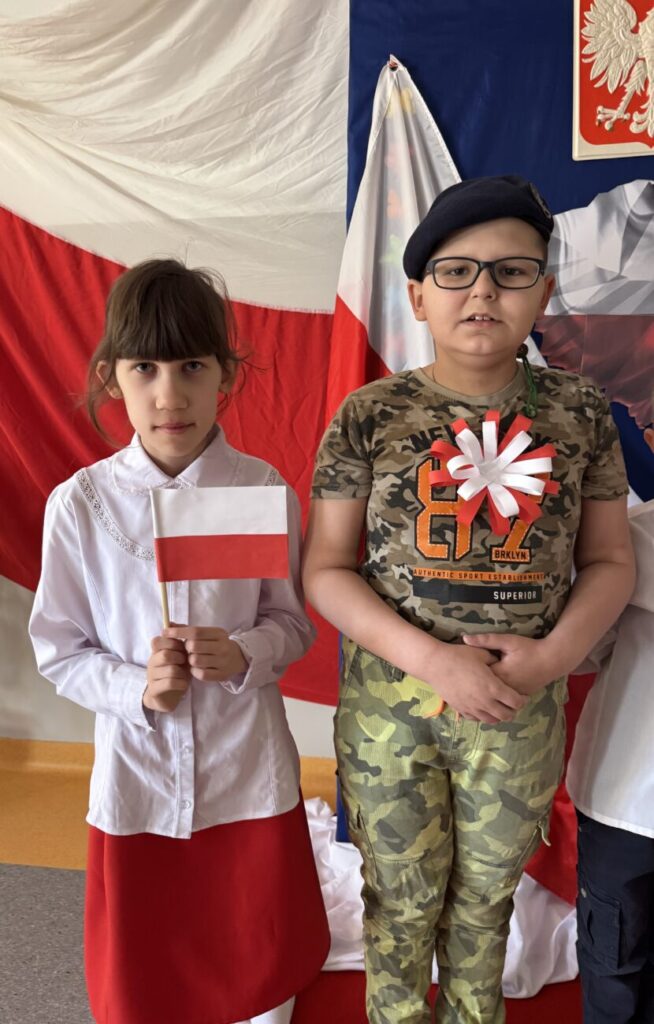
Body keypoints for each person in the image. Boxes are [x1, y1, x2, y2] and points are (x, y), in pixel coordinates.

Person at [302, 175, 635, 1024]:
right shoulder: (370, 414)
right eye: (456, 272)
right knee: (399, 902)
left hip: (517, 709)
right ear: (418, 295)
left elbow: (610, 561)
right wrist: (432, 660)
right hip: (391, 716)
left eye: (511, 272)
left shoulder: (581, 413)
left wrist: (553, 657)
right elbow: (326, 569)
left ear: (544, 294)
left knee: (488, 904)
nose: (483, 291)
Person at [29, 259, 329, 1024]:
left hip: (245, 768)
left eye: (192, 366)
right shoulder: (81, 505)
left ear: (225, 372)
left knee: (258, 955)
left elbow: (292, 622)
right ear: (111, 376)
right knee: (149, 970)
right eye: (146, 368)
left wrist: (246, 653)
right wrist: (136, 687)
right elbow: (60, 649)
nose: (170, 394)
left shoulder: (260, 491)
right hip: (140, 777)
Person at [566, 409, 654, 1024]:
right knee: (615, 968)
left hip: (624, 802)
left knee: (617, 967)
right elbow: (578, 651)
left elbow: (581, 654)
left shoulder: (633, 539)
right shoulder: (630, 542)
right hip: (626, 806)